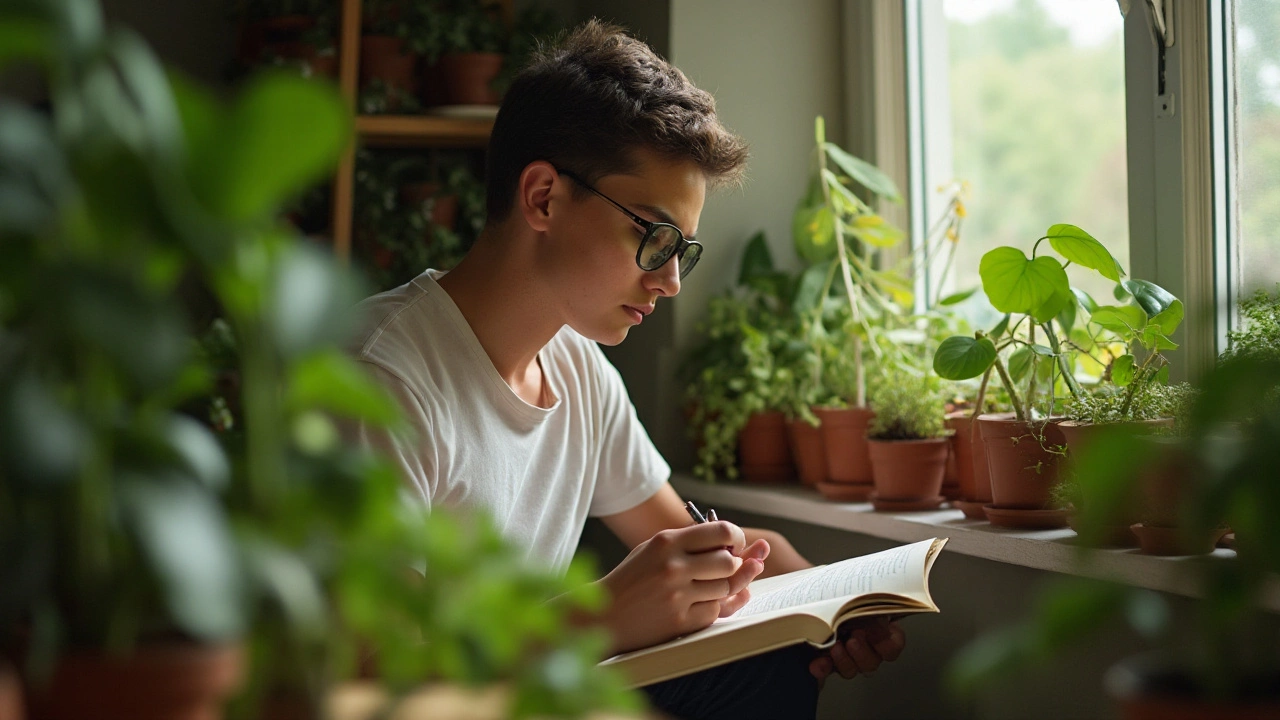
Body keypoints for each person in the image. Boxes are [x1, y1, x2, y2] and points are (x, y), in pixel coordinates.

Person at [345, 19, 905, 720]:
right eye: (653, 236)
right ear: (543, 197)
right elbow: (366, 676)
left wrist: (827, 599)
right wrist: (600, 618)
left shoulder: (576, 369)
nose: (670, 281)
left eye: (683, 251)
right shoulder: (381, 378)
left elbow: (684, 535)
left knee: (778, 662)